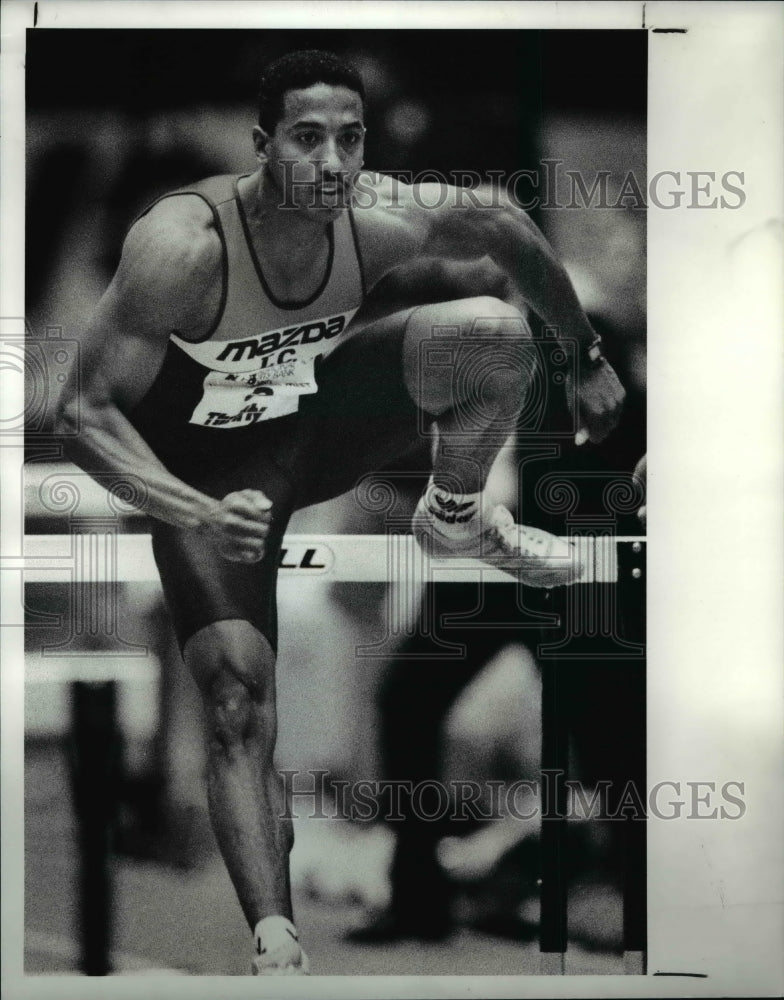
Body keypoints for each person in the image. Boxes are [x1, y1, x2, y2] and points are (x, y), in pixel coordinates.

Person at [55, 50, 625, 974]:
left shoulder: (378, 217)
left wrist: (585, 352)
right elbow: (82, 414)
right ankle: (274, 940)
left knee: (490, 330)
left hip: (304, 437)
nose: (331, 163)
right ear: (262, 146)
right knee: (239, 701)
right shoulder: (182, 245)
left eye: (349, 141)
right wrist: (195, 511)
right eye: (308, 139)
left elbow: (508, 223)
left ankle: (456, 511)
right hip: (206, 481)